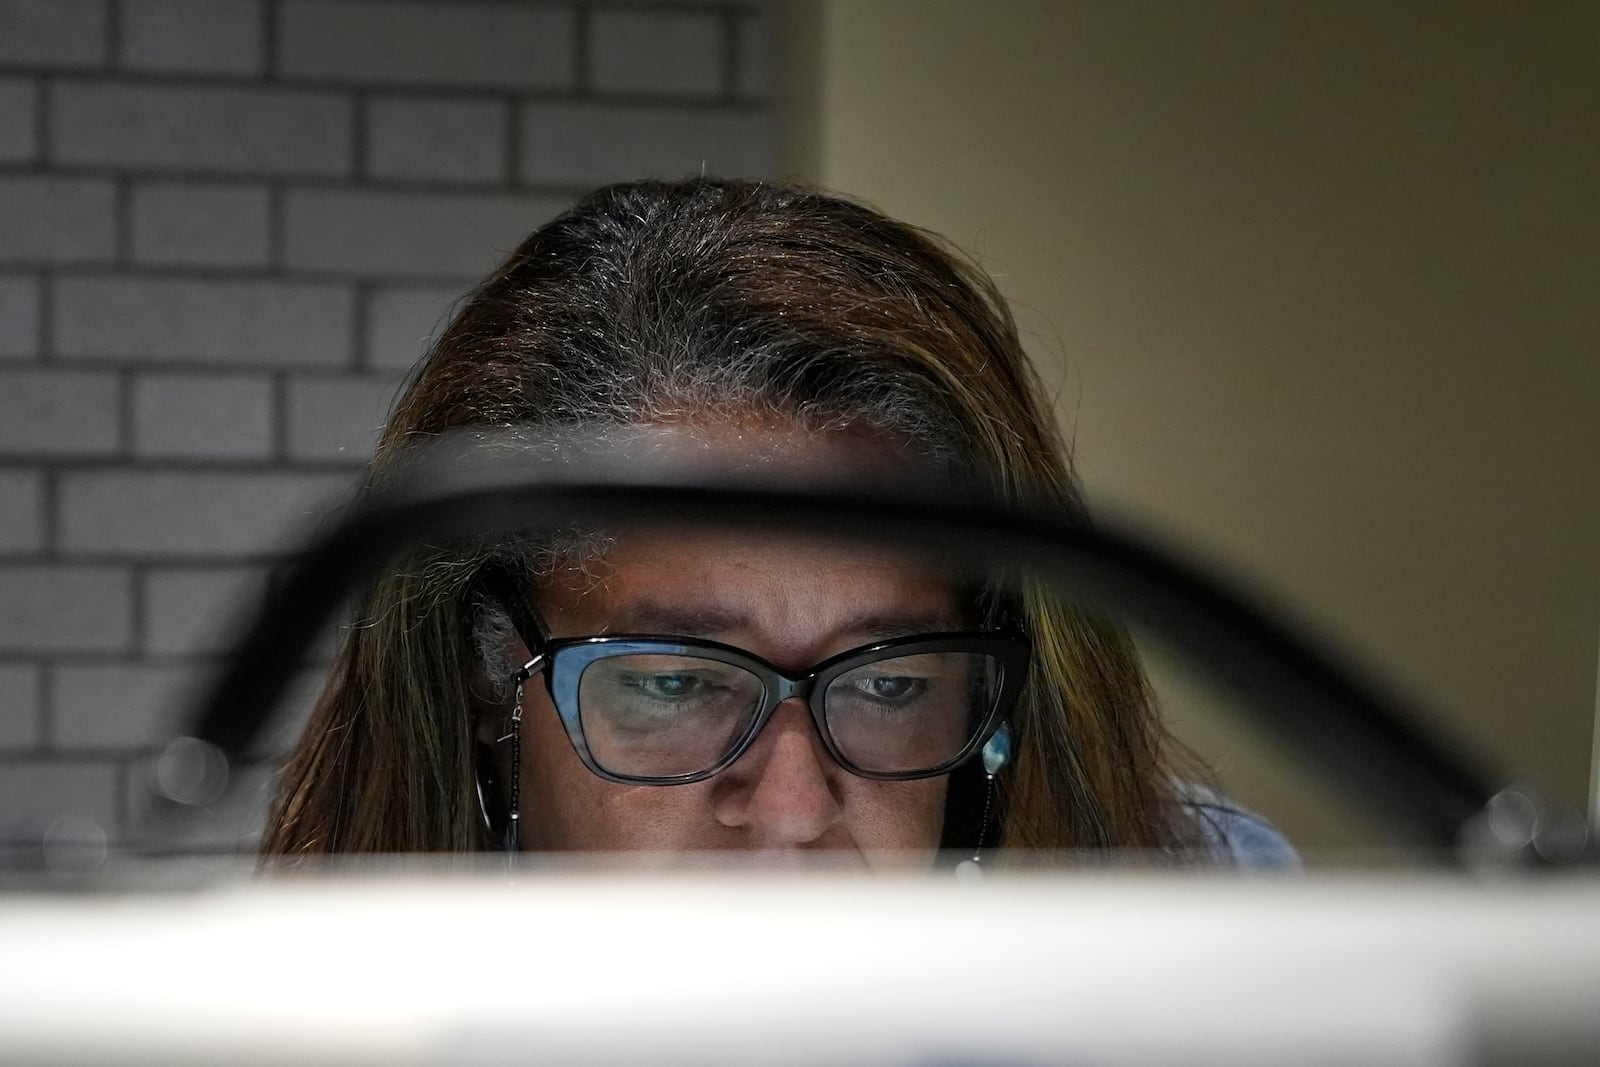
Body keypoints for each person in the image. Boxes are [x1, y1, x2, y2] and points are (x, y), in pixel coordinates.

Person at [261, 176, 1293, 868]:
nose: (795, 812)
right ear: (490, 684)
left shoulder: (1207, 924)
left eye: (891, 682)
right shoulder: (295, 1008)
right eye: (674, 681)